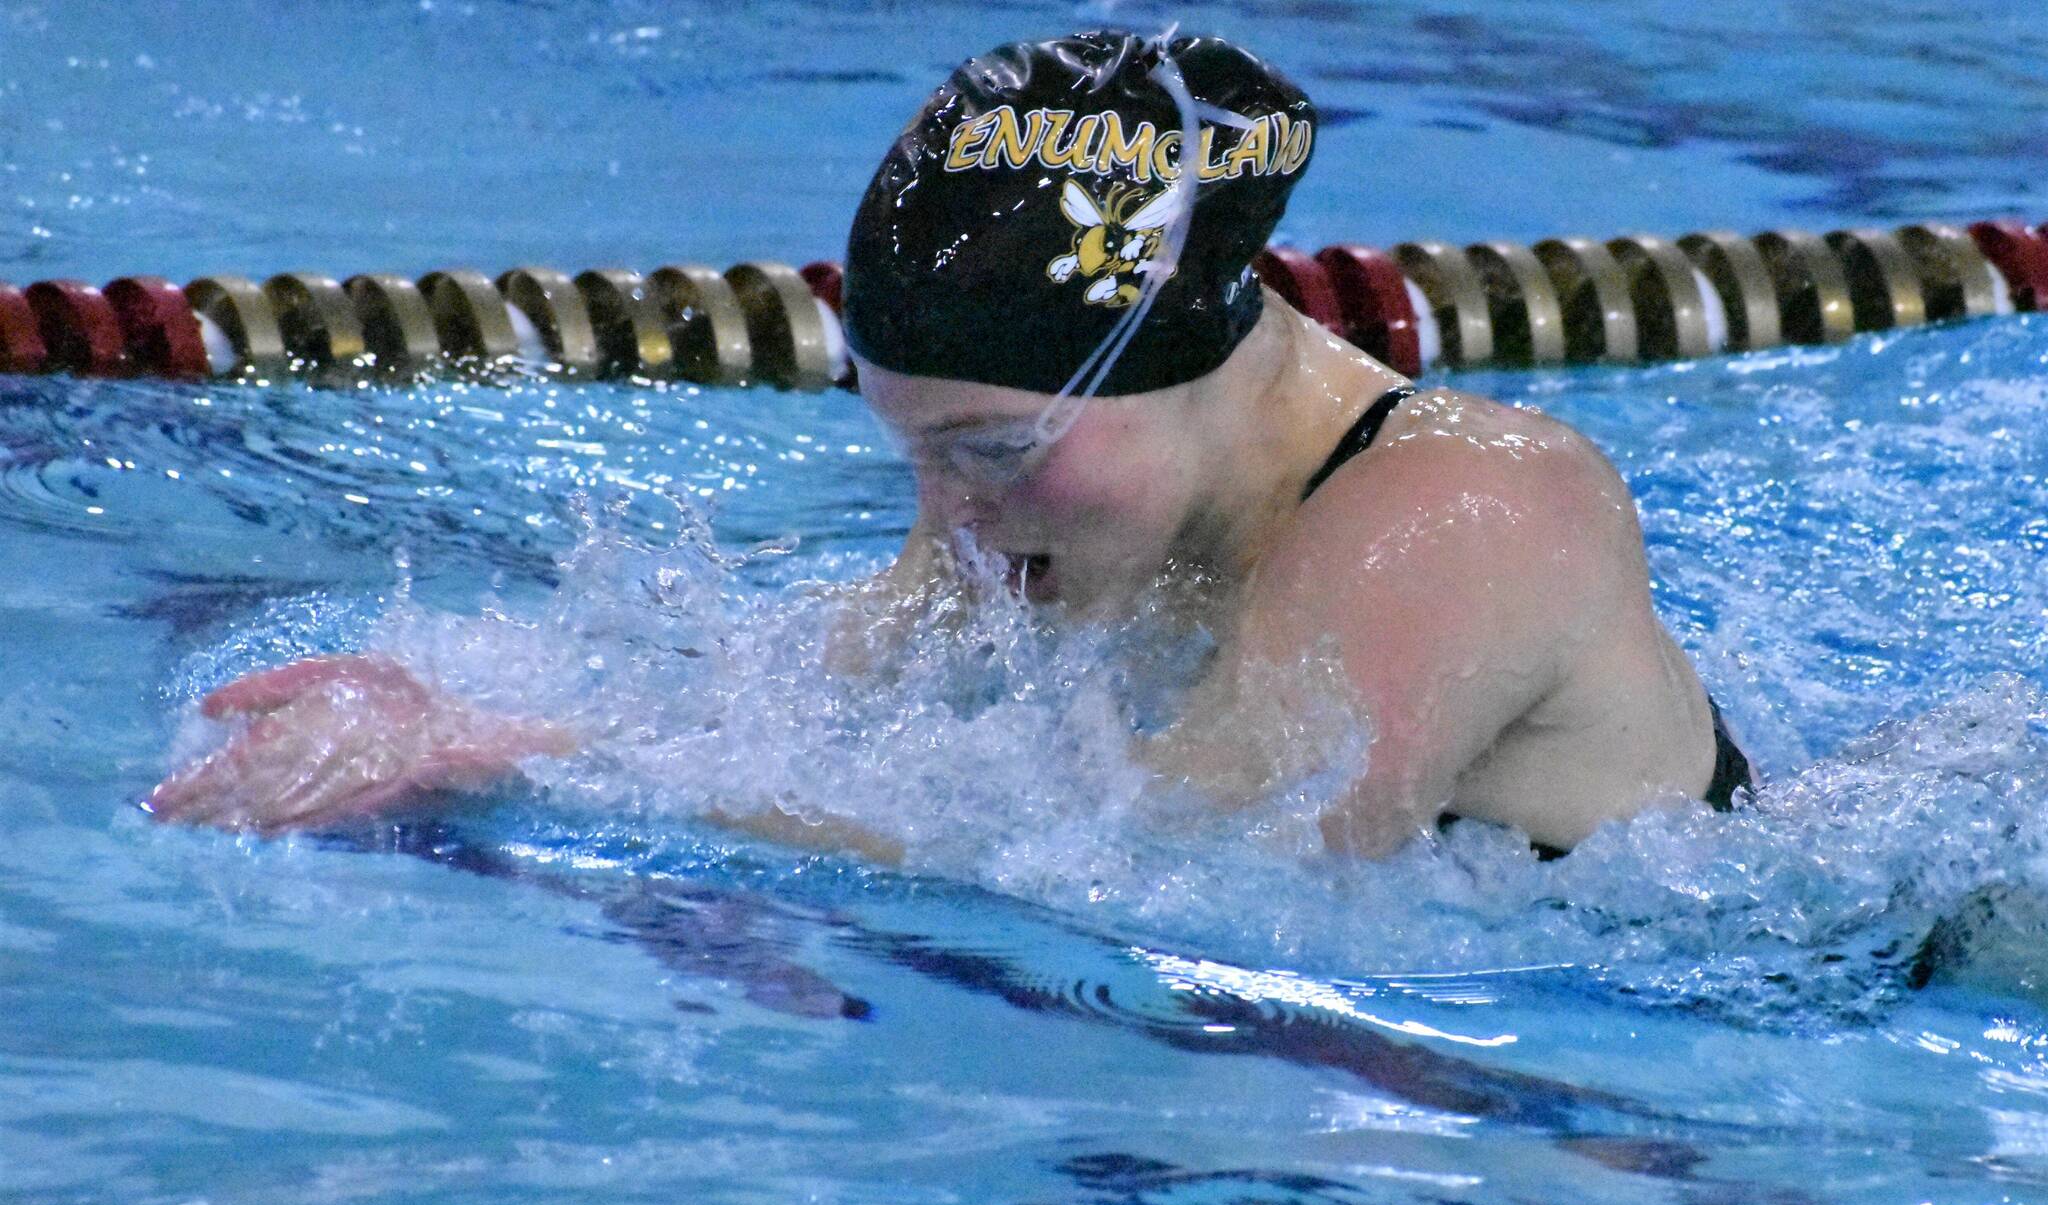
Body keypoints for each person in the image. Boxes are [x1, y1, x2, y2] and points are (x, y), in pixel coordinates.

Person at [148, 28, 1751, 861]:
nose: (950, 521)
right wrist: (464, 709)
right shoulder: (1057, 502)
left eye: (985, 453)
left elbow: (1186, 861)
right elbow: (816, 695)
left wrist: (537, 770)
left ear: (1178, 364)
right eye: (915, 455)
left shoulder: (1464, 516)